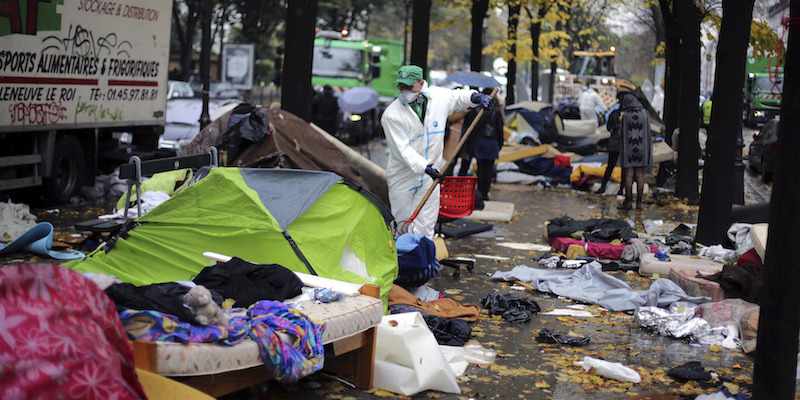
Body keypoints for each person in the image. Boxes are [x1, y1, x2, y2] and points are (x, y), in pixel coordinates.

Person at [381, 65, 493, 238]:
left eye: (410, 86)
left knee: (426, 222)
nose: (405, 90)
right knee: (402, 223)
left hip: (429, 177)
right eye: (402, 86)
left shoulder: (438, 98)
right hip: (403, 176)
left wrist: (476, 97)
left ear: (421, 83)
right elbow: (402, 150)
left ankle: (424, 252)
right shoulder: (392, 115)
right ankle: (404, 252)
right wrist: (425, 167)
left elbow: (457, 97)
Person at [458, 88, 504, 209]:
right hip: (492, 141)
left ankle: (480, 193)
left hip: (480, 141)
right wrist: (500, 143)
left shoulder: (478, 109)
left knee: (480, 169)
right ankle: (485, 193)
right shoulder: (496, 110)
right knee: (489, 169)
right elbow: (500, 128)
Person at [617, 90, 653, 210]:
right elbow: (649, 133)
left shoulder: (626, 115)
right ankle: (639, 203)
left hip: (629, 149)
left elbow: (621, 133)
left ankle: (628, 202)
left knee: (629, 175)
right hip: (642, 148)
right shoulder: (645, 114)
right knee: (640, 175)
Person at [596, 100, 622, 195]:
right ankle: (621, 190)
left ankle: (603, 187)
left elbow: (608, 127)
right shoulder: (626, 114)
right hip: (621, 143)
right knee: (623, 167)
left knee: (610, 166)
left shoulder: (614, 113)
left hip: (615, 142)